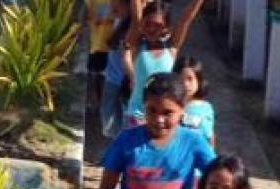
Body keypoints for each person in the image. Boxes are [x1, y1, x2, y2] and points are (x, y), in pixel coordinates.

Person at [123, 0, 206, 127]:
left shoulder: (171, 48)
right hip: (138, 115)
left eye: (157, 25)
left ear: (166, 27)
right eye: (148, 23)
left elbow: (186, 18)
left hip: (166, 114)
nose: (151, 28)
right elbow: (135, 17)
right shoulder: (137, 46)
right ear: (142, 23)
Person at [99, 0, 131, 138]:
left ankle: (117, 147)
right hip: (112, 78)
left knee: (123, 119)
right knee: (108, 115)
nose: (113, 5)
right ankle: (115, 145)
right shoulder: (118, 20)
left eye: (118, 3)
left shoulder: (133, 28)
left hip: (124, 81)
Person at [173, 55, 215, 147]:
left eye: (190, 79)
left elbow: (210, 136)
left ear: (199, 80)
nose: (185, 84)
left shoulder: (206, 108)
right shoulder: (172, 106)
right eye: (181, 79)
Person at [87, 0, 115, 112]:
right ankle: (97, 103)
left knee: (106, 78)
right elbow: (88, 16)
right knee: (95, 75)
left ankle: (103, 104)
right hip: (97, 43)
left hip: (112, 44)